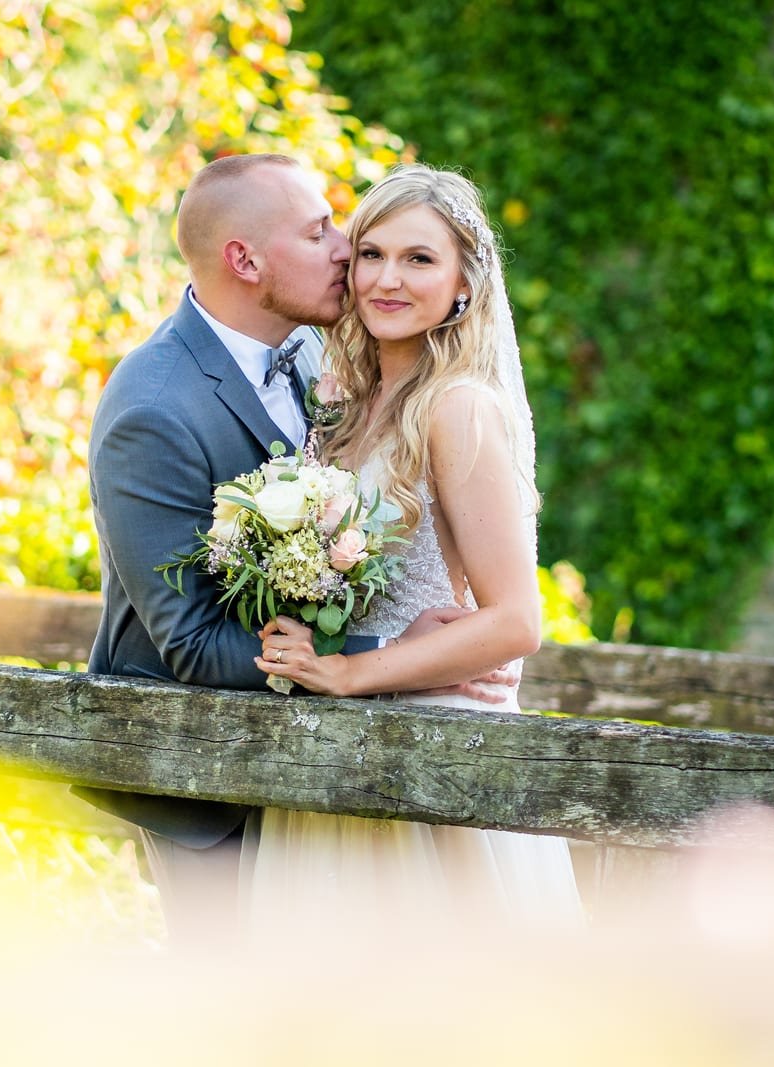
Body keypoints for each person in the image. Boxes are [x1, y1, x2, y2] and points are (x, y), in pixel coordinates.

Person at [79, 154, 515, 948]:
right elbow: (194, 643)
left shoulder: (330, 364)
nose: (349, 254)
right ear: (245, 260)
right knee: (243, 997)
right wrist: (384, 655)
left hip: (359, 757)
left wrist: (407, 658)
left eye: (412, 255)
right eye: (322, 234)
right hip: (206, 778)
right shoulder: (154, 407)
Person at [251, 162, 584, 932]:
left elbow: (515, 622)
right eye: (372, 254)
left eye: (419, 258)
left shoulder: (458, 408)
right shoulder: (341, 406)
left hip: (429, 756)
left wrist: (349, 671)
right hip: (332, 751)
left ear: (464, 283)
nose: (387, 279)